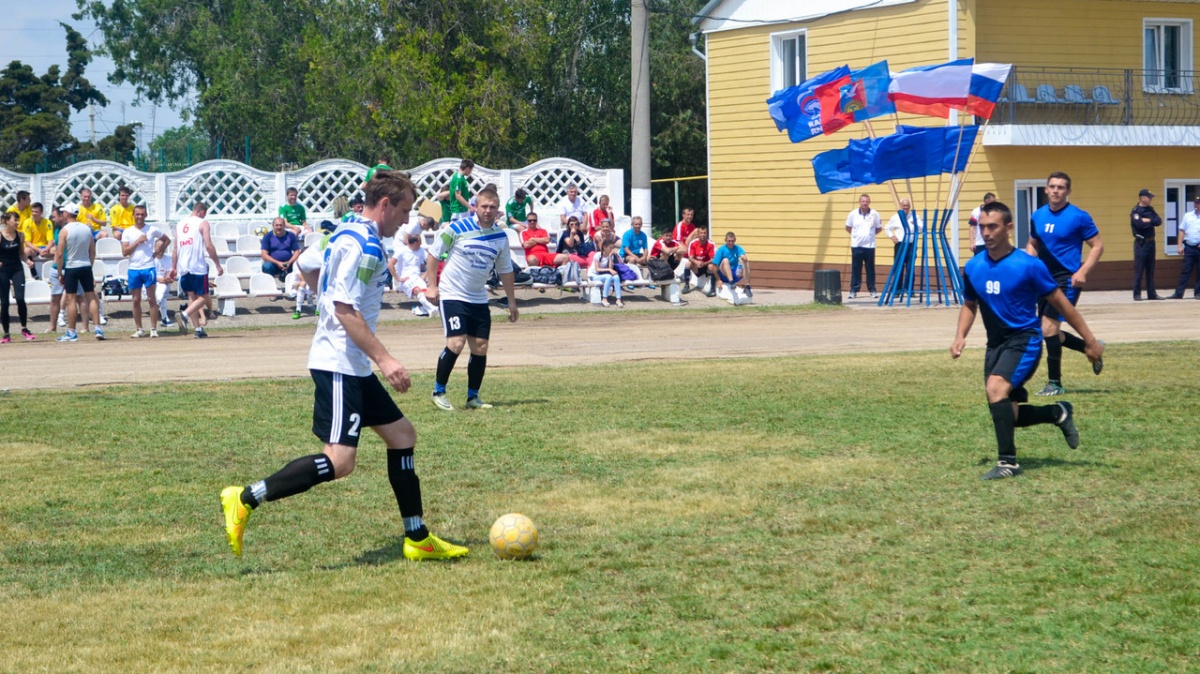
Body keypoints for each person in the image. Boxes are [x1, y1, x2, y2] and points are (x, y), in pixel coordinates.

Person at [219, 170, 469, 561]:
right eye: (402, 211)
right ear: (384, 205)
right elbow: (344, 309)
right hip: (339, 363)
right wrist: (385, 359)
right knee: (340, 461)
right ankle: (245, 497)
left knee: (403, 435)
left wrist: (331, 297)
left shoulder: (345, 231)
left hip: (350, 362)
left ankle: (417, 538)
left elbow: (306, 264)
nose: (406, 220)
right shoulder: (363, 245)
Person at [951, 200, 1103, 480]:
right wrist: (960, 336)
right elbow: (969, 304)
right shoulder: (973, 267)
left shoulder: (1029, 266)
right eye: (983, 227)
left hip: (1025, 340)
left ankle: (1008, 463)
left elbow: (1063, 305)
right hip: (995, 344)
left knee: (995, 388)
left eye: (993, 226)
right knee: (1008, 414)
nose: (986, 233)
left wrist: (1089, 341)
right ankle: (1057, 413)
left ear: (1008, 228)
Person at [424, 186, 518, 411]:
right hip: (452, 294)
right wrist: (432, 286)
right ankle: (438, 391)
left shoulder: (500, 237)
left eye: (493, 207)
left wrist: (512, 302)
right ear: (475, 206)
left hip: (478, 297)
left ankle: (472, 398)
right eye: (484, 206)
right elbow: (434, 254)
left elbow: (505, 270)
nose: (488, 210)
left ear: (498, 210)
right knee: (456, 343)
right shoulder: (457, 227)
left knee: (481, 347)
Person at [1026, 172, 1105, 397]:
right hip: (1043, 278)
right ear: (1046, 189)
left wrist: (1083, 271)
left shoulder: (1079, 216)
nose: (1056, 191)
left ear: (1068, 191)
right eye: (1052, 186)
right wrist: (1029, 266)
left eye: (1061, 187)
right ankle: (1091, 348)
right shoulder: (1038, 215)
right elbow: (1032, 244)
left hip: (1067, 279)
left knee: (1049, 328)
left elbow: (1098, 246)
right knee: (1048, 333)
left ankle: (1055, 383)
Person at [172, 201, 224, 339]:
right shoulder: (203, 222)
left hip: (183, 266)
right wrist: (218, 264)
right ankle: (184, 315)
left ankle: (198, 329)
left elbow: (175, 248)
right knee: (205, 296)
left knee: (192, 297)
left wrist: (173, 267)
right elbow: (209, 245)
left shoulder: (180, 223)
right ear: (201, 212)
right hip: (197, 266)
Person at [55, 207, 104, 342]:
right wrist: (90, 266)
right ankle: (98, 327)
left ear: (67, 213)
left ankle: (71, 331)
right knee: (91, 297)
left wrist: (60, 272)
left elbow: (59, 254)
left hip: (72, 267)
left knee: (71, 300)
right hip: (85, 265)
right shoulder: (86, 229)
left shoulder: (65, 230)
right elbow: (92, 252)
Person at [121, 204, 169, 338]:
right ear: (133, 215)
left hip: (148, 267)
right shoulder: (128, 231)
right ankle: (139, 329)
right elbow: (125, 252)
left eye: (142, 214)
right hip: (134, 268)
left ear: (146, 215)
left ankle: (153, 328)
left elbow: (167, 240)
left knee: (151, 298)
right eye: (137, 214)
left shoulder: (152, 229)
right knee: (136, 299)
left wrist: (157, 252)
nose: (140, 217)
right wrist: (137, 241)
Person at [0, 211, 34, 343]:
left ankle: (24, 329)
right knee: (5, 302)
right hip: (3, 271)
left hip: (17, 269)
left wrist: (28, 261)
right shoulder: (1, 235)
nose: (17, 222)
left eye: (18, 220)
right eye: (15, 220)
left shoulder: (20, 235)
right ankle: (6, 333)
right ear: (7, 221)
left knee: (20, 298)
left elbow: (22, 253)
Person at [389, 233, 439, 317]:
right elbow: (390, 264)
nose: (421, 243)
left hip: (417, 277)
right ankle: (432, 308)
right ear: (415, 243)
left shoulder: (421, 250)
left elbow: (430, 262)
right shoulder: (402, 251)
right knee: (417, 290)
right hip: (407, 279)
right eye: (420, 242)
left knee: (426, 294)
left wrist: (425, 274)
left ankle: (422, 309)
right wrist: (398, 278)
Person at [845, 193, 882, 299]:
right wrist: (856, 236)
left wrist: (870, 236)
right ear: (859, 202)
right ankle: (854, 290)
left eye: (866, 201)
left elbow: (879, 228)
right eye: (863, 201)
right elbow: (848, 227)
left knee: (870, 268)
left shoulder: (874, 214)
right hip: (856, 246)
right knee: (856, 268)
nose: (865, 203)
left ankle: (872, 290)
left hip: (870, 246)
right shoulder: (853, 214)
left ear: (869, 202)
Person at [1130, 188, 1163, 301]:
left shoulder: (1150, 210)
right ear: (1142, 198)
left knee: (1150, 269)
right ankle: (1137, 294)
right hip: (1141, 243)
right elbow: (1139, 225)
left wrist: (1147, 220)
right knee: (1139, 269)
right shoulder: (1135, 211)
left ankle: (1151, 293)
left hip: (1151, 242)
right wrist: (1150, 221)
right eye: (1149, 197)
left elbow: (1158, 221)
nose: (1151, 200)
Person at [884, 198, 921, 289]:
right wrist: (892, 236)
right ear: (900, 206)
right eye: (904, 206)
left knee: (910, 267)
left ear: (910, 207)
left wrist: (916, 224)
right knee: (899, 266)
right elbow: (887, 228)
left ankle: (909, 289)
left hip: (911, 245)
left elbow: (922, 228)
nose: (906, 207)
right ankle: (897, 289)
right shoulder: (896, 217)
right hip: (900, 244)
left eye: (907, 206)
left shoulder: (915, 216)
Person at [1170, 195, 1200, 299]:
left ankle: (1198, 293)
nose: (1196, 205)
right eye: (1195, 203)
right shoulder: (1188, 216)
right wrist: (1179, 246)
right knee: (1185, 271)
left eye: (1198, 203)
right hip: (1189, 247)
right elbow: (1182, 231)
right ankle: (1179, 293)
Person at [713, 231, 752, 303]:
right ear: (725, 240)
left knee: (745, 262)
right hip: (724, 273)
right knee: (725, 260)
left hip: (734, 272)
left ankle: (747, 286)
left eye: (732, 241)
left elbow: (743, 256)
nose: (730, 243)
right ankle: (731, 282)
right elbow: (714, 266)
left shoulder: (738, 248)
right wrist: (718, 280)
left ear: (735, 240)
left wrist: (744, 258)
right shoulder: (721, 249)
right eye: (729, 241)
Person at [260, 217, 302, 281]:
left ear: (284, 226)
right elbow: (264, 254)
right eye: (277, 225)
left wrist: (289, 262)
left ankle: (297, 285)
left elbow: (297, 251)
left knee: (300, 264)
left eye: (281, 225)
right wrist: (278, 263)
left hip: (288, 263)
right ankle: (270, 285)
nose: (279, 227)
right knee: (266, 266)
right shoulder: (268, 236)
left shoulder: (291, 235)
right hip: (274, 264)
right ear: (273, 226)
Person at [590, 239, 624, 308]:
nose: (612, 249)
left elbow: (610, 268)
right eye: (610, 248)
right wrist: (609, 269)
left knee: (616, 277)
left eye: (613, 248)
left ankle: (618, 299)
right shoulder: (598, 255)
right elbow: (597, 269)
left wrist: (611, 257)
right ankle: (604, 298)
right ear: (604, 247)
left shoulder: (610, 255)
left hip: (603, 275)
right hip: (594, 275)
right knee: (608, 276)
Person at [684, 225, 716, 296]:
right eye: (701, 233)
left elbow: (713, 258)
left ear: (707, 234)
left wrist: (705, 263)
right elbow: (690, 257)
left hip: (706, 265)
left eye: (704, 233)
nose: (703, 235)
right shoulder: (693, 243)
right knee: (687, 264)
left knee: (711, 266)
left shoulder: (711, 244)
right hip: (697, 266)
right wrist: (696, 262)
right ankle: (686, 285)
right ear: (698, 234)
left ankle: (712, 289)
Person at [20, 202, 53, 269]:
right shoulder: (27, 222)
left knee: (55, 250)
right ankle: (32, 271)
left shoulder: (47, 222)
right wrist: (39, 250)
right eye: (32, 211)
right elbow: (27, 241)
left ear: (41, 212)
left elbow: (50, 240)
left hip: (44, 247)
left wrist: (46, 250)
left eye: (36, 212)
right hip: (33, 248)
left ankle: (52, 268)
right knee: (26, 251)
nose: (34, 214)